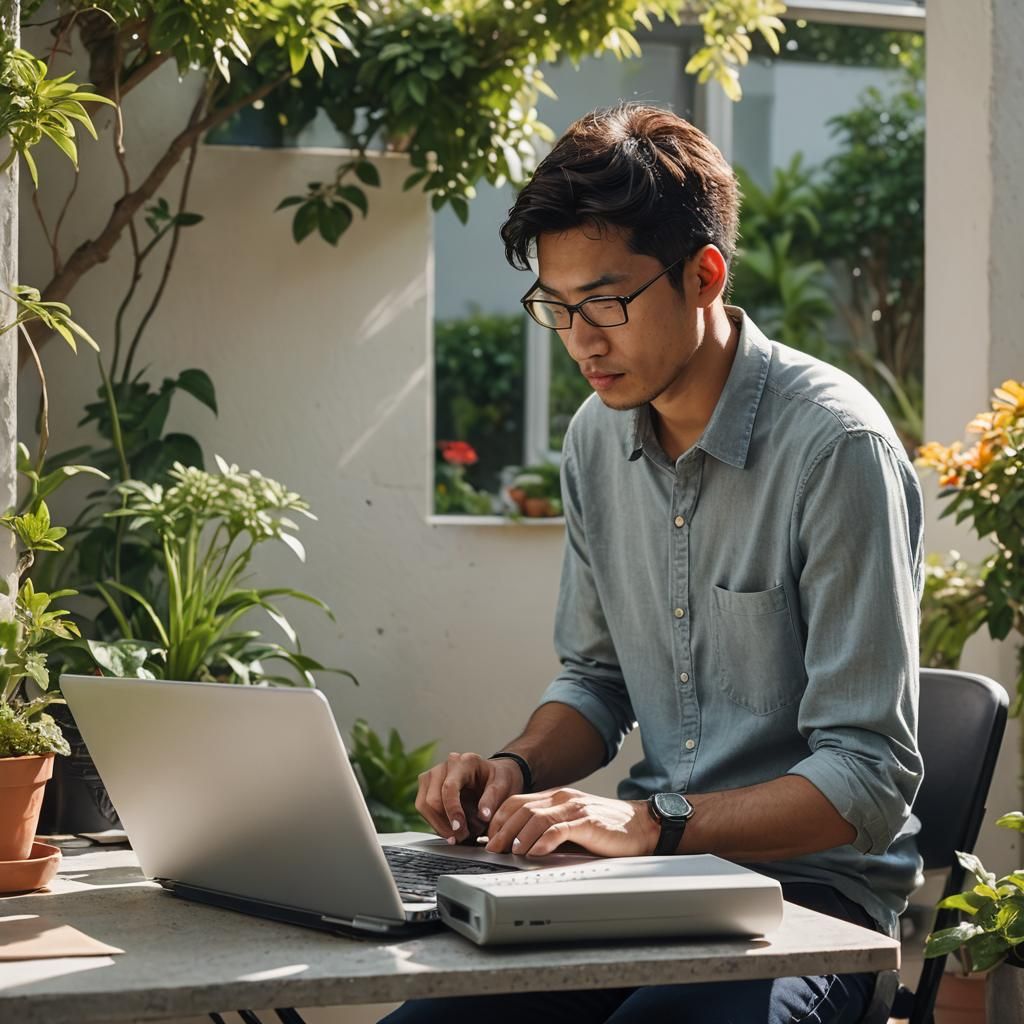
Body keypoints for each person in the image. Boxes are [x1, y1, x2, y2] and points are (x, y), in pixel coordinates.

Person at [383, 103, 923, 1024]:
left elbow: (866, 777)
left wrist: (646, 822)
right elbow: (597, 681)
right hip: (644, 881)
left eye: (607, 300)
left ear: (704, 274)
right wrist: (514, 765)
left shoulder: (836, 450)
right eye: (557, 306)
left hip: (809, 906)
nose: (582, 338)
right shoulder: (596, 439)